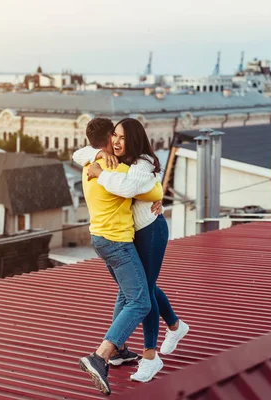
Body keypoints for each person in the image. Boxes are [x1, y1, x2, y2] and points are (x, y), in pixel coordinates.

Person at [74, 118, 189, 384]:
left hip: (150, 230)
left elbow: (130, 187)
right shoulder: (115, 160)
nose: (116, 141)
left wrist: (100, 172)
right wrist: (98, 154)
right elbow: (79, 153)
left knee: (143, 292)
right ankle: (173, 326)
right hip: (126, 235)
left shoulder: (141, 164)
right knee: (134, 291)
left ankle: (150, 356)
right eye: (114, 135)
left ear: (134, 139)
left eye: (123, 138)